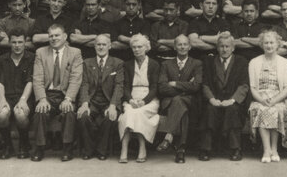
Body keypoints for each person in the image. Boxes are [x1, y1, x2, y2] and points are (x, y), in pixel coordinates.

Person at [30, 23, 83, 161]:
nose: (54, 38)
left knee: (69, 112)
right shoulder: (41, 52)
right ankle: (40, 148)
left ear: (65, 36)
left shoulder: (75, 53)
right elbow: (37, 78)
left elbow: (75, 79)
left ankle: (67, 148)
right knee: (40, 111)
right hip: (48, 94)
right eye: (51, 36)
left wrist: (69, 99)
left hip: (65, 94)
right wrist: (42, 99)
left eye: (57, 35)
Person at [200, 32, 250, 161]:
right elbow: (205, 84)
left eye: (227, 46)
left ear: (233, 48)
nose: (224, 49)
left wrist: (232, 100)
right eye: (221, 46)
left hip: (233, 101)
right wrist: (212, 99)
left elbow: (244, 85)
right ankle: (206, 149)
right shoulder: (209, 61)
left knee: (233, 110)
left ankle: (235, 149)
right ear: (217, 48)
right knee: (210, 110)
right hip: (215, 100)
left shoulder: (241, 62)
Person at [247, 29, 287, 163]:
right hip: (259, 98)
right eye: (266, 43)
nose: (269, 45)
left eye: (272, 42)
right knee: (262, 109)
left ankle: (275, 148)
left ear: (277, 44)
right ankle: (266, 149)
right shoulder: (254, 62)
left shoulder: (286, 63)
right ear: (262, 44)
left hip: (279, 98)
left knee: (276, 109)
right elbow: (253, 87)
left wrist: (274, 100)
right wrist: (261, 100)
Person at [77, 34, 124, 160]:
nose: (101, 47)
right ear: (94, 46)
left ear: (110, 46)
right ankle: (88, 149)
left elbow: (119, 86)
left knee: (110, 117)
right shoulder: (87, 63)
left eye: (104, 44)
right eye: (98, 44)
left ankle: (101, 150)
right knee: (83, 116)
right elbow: (84, 84)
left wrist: (113, 105)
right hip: (92, 101)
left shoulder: (117, 63)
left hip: (108, 101)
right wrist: (85, 103)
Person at [157, 34, 203, 163]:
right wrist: (186, 87)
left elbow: (196, 87)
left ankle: (169, 136)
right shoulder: (166, 64)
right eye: (179, 44)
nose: (182, 47)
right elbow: (162, 87)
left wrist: (175, 83)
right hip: (172, 102)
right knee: (181, 108)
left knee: (179, 102)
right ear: (174, 47)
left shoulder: (197, 64)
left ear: (189, 47)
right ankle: (181, 150)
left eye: (185, 44)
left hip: (192, 102)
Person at [117, 34, 161, 163]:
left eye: (139, 47)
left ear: (146, 47)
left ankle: (142, 147)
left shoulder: (154, 64)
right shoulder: (128, 64)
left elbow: (154, 87)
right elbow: (125, 86)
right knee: (130, 112)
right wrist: (130, 100)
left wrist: (144, 101)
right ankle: (124, 148)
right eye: (134, 47)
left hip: (149, 98)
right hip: (132, 96)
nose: (136, 50)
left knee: (140, 112)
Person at [0, 31, 35, 159]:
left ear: (25, 43)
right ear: (9, 43)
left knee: (20, 113)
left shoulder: (32, 58)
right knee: (1, 114)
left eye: (20, 42)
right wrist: (1, 99)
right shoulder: (2, 59)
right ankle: (8, 145)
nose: (17, 45)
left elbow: (30, 81)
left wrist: (23, 100)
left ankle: (24, 143)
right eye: (14, 42)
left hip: (25, 96)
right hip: (7, 96)